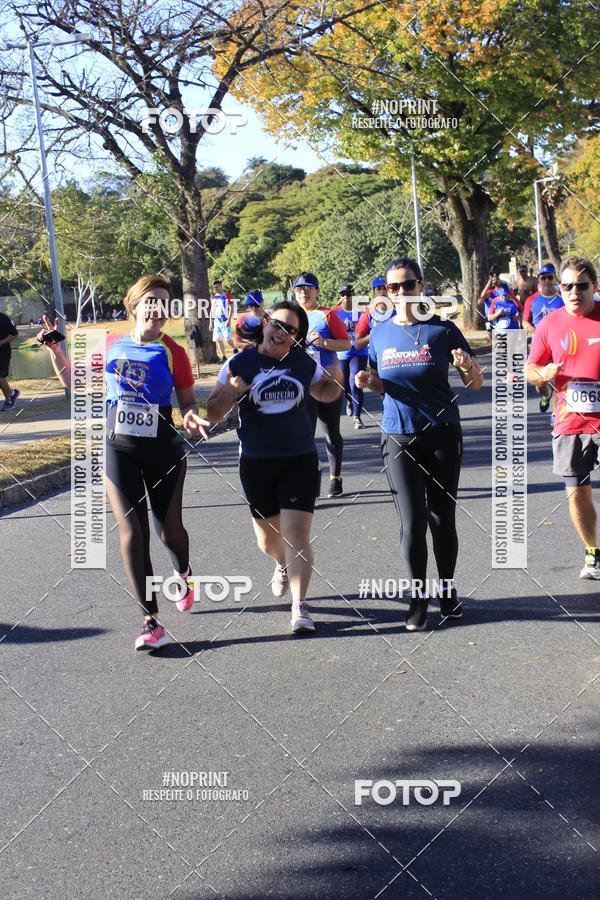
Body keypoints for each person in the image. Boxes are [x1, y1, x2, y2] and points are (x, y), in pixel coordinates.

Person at [39, 275, 210, 651]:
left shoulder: (174, 352)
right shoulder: (112, 346)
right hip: (119, 449)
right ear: (134, 305)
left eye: (165, 303)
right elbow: (73, 381)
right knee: (132, 532)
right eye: (151, 300)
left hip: (164, 449)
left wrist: (193, 417)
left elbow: (187, 402)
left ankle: (184, 571)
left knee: (169, 532)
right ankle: (151, 620)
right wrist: (56, 350)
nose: (158, 308)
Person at [355, 257, 483, 631]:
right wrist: (368, 382)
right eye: (392, 288)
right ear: (385, 293)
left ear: (421, 285)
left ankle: (447, 591)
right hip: (398, 436)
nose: (400, 293)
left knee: (442, 520)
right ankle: (416, 599)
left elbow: (474, 384)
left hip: (442, 433)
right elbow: (382, 383)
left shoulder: (442, 331)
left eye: (407, 285)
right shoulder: (379, 335)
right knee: (411, 525)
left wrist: (465, 367)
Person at [206, 300, 343, 633]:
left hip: (299, 459)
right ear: (265, 324)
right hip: (256, 462)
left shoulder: (301, 362)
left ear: (297, 337)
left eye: (291, 330)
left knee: (298, 534)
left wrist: (335, 366)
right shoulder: (238, 362)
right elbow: (212, 412)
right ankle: (280, 563)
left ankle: (300, 606)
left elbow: (326, 393)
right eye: (278, 324)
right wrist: (233, 393)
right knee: (267, 541)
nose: (282, 333)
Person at [527, 257, 600, 580]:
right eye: (567, 286)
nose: (573, 292)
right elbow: (531, 369)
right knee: (577, 492)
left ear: (594, 287)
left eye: (581, 286)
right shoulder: (550, 324)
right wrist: (543, 373)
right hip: (570, 423)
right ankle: (593, 551)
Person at [292, 272, 350, 498]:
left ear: (317, 290)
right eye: (299, 288)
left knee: (331, 432)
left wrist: (325, 342)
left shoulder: (327, 315)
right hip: (301, 384)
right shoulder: (289, 316)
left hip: (328, 382)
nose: (304, 292)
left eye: (308, 287)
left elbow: (346, 343)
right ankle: (309, 479)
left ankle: (335, 477)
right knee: (305, 434)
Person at [522, 264, 564, 412]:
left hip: (559, 344)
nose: (546, 280)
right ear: (539, 280)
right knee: (540, 383)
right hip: (539, 346)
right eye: (543, 278)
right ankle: (546, 394)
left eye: (549, 277)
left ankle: (556, 414)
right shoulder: (532, 300)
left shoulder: (563, 298)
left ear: (555, 279)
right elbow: (525, 321)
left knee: (559, 380)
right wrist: (535, 331)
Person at [334, 283, 368, 429]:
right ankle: (349, 400)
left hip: (359, 352)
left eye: (348, 294)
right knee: (344, 386)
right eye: (343, 294)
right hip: (341, 353)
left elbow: (369, 329)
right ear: (340, 297)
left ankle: (357, 417)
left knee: (355, 382)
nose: (346, 297)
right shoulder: (335, 313)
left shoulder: (362, 312)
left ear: (353, 296)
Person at [0, 310, 20, 411]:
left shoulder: (3, 318)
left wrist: (1, 342)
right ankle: (12, 394)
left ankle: (9, 401)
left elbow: (14, 334)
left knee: (1, 378)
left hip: (3, 353)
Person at [210, 280, 233, 363]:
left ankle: (235, 349)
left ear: (221, 286)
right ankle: (224, 356)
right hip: (216, 321)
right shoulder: (213, 296)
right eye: (214, 287)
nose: (216, 288)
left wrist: (229, 320)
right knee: (218, 339)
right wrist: (210, 323)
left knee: (228, 339)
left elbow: (231, 308)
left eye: (217, 287)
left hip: (224, 320)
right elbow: (212, 310)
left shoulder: (227, 295)